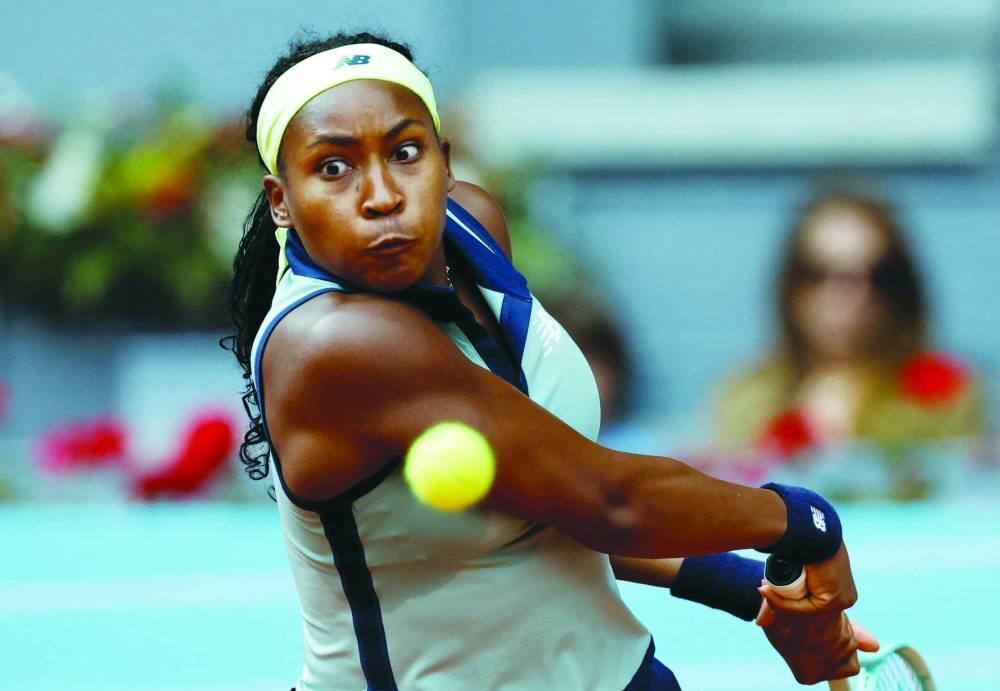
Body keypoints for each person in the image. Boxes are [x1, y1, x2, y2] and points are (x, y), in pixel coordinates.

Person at [223, 30, 877, 690]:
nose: (382, 195)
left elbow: (549, 491)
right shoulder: (338, 344)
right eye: (334, 167)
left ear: (445, 164)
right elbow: (608, 500)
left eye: (405, 152)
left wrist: (751, 590)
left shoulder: (474, 226)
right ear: (282, 200)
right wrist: (803, 522)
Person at [713, 183, 991, 497]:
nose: (848, 295)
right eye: (817, 273)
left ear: (902, 287)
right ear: (789, 285)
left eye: (876, 275)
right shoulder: (748, 393)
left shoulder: (946, 392)